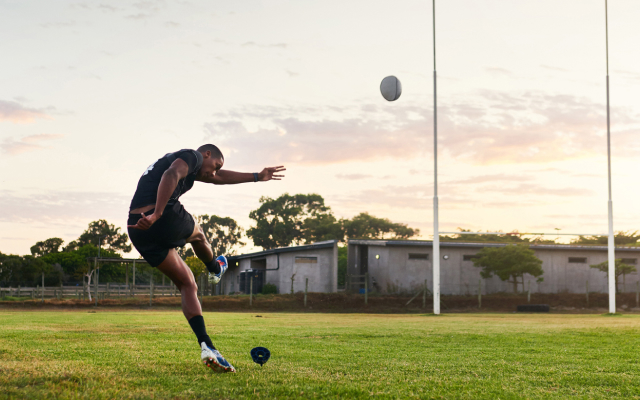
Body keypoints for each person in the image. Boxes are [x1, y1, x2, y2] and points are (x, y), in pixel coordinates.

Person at [127, 144, 285, 373]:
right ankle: (215, 267)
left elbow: (218, 178)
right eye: (216, 165)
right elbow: (171, 174)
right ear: (207, 155)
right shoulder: (191, 156)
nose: (214, 171)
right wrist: (158, 213)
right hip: (159, 216)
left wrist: (256, 177)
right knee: (199, 235)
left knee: (188, 283)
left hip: (138, 229)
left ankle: (207, 347)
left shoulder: (192, 167)